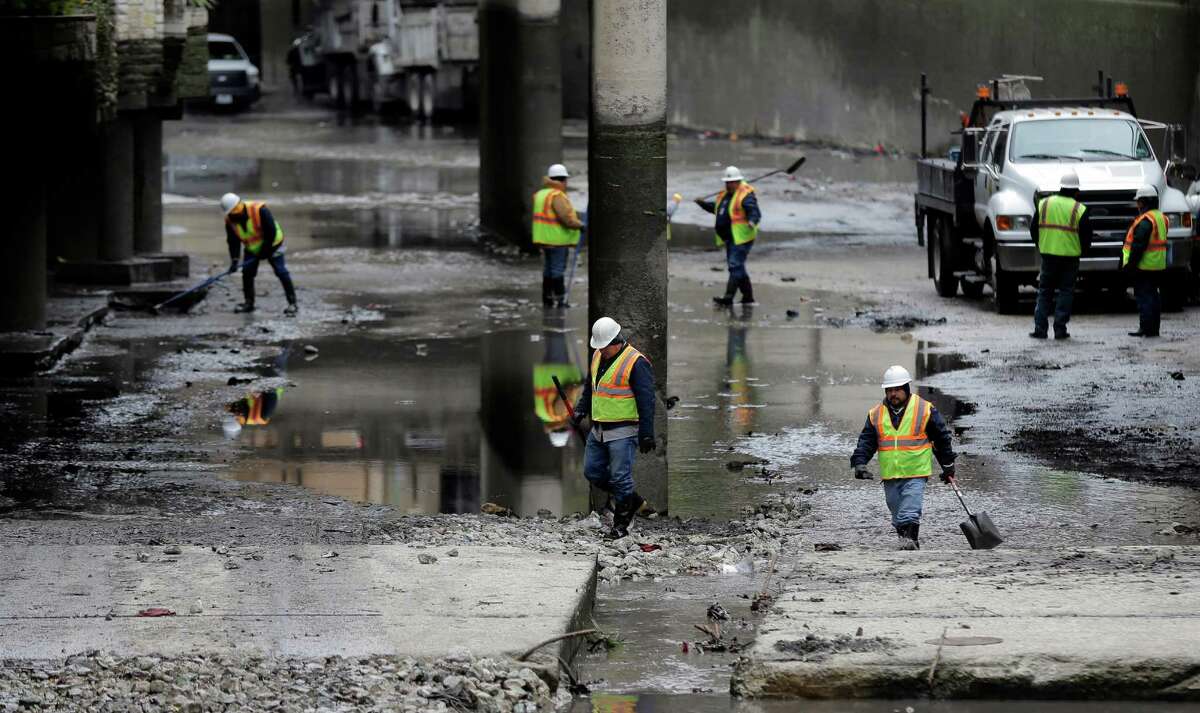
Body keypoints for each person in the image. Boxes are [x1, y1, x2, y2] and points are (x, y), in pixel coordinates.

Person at [850, 365, 956, 550]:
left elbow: (941, 438)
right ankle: (906, 543)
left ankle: (910, 545)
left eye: (897, 389)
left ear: (906, 389)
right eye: (890, 390)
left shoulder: (924, 409)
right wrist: (860, 464)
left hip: (916, 473)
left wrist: (947, 465)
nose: (893, 394)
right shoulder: (876, 414)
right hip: (890, 475)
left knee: (909, 511)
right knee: (897, 512)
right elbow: (866, 441)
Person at [571, 317, 656, 539]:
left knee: (620, 478)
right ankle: (632, 500)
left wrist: (647, 434)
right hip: (598, 428)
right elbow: (591, 388)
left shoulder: (636, 363)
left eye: (603, 346)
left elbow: (647, 402)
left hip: (623, 430)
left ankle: (621, 525)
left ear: (615, 341)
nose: (600, 350)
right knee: (592, 471)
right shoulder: (598, 356)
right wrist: (581, 410)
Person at [1029, 172, 1091, 340]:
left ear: (1061, 187)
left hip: (1048, 255)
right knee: (1066, 292)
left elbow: (1033, 228)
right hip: (1070, 259)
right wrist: (1083, 251)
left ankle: (1040, 329)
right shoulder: (1079, 209)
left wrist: (1041, 244)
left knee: (1045, 292)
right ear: (1076, 191)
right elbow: (1086, 236)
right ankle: (1060, 329)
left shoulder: (1044, 204)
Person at [221, 192, 298, 315]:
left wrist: (264, 251)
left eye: (239, 207)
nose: (238, 212)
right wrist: (234, 260)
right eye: (234, 211)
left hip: (273, 244)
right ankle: (249, 303)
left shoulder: (260, 210)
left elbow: (271, 232)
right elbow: (233, 241)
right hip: (252, 248)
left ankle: (292, 303)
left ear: (241, 203)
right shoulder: (230, 221)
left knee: (281, 271)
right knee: (247, 273)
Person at [697, 166, 760, 306]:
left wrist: (752, 221)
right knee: (737, 267)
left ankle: (728, 297)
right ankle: (748, 298)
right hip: (730, 237)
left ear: (738, 181)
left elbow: (754, 211)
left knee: (735, 265)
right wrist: (703, 204)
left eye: (730, 182)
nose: (728, 184)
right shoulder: (725, 195)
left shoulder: (745, 195)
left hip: (742, 237)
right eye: (726, 182)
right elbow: (718, 209)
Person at [532, 164, 585, 308]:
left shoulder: (542, 194)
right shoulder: (556, 195)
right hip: (557, 240)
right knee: (556, 269)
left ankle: (548, 299)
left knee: (549, 269)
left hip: (544, 239)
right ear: (563, 180)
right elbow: (566, 218)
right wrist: (580, 225)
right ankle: (561, 300)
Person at [1123, 184, 1168, 337]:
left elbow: (1138, 245)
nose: (1137, 205)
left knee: (1144, 298)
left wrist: (1131, 265)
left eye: (1138, 201)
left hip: (1145, 266)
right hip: (1158, 265)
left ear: (1143, 202)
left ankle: (1146, 328)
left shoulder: (1146, 220)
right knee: (1153, 297)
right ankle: (1153, 328)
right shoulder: (1161, 217)